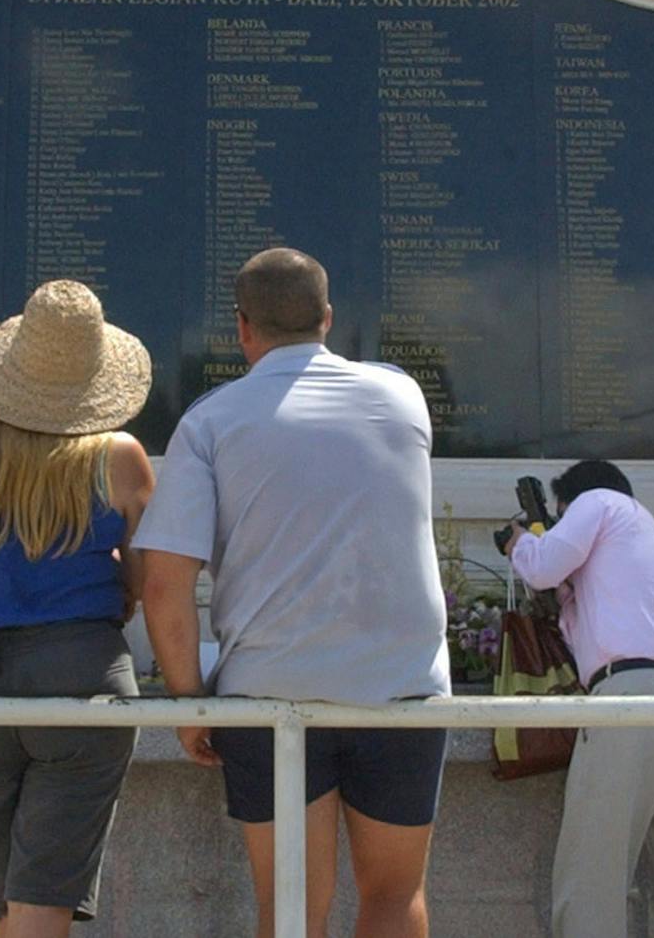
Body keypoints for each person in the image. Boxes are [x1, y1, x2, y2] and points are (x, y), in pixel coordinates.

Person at [135, 247, 451, 938]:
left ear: (242, 328)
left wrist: (189, 704)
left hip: (269, 691)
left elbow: (163, 583)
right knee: (395, 897)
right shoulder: (403, 397)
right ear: (328, 319)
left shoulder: (210, 423)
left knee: (291, 909)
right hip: (399, 684)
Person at [0, 279, 158, 937]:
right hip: (79, 676)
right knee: (38, 905)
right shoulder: (118, 457)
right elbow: (148, 578)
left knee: (14, 903)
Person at [505, 460, 654, 938]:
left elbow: (542, 567)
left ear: (568, 505)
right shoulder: (652, 543)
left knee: (592, 872)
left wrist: (522, 543)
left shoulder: (599, 501)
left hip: (632, 701)